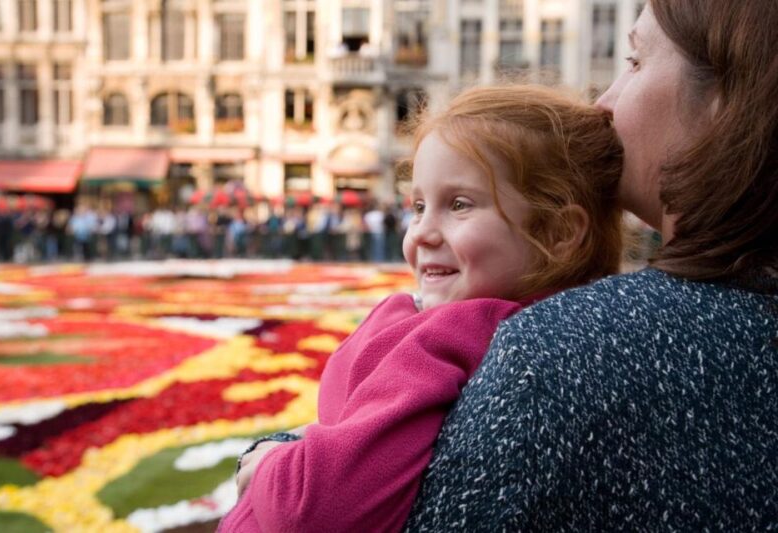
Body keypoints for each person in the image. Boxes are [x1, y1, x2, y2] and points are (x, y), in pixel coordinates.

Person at [402, 2, 778, 530]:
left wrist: (285, 455)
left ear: (726, 102)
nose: (603, 102)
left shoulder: (558, 352)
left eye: (635, 61)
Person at [218, 84, 624, 532]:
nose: (422, 234)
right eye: (418, 206)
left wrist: (271, 457)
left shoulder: (451, 335)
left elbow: (314, 507)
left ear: (558, 232)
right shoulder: (570, 327)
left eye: (459, 205)